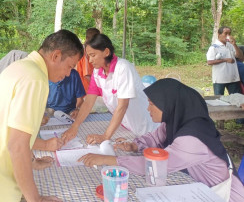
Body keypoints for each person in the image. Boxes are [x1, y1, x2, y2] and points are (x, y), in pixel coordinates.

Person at [0, 30, 84, 202]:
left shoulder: (20, 67)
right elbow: (17, 145)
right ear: (56, 55)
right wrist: (36, 199)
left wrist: (31, 161)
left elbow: (11, 129)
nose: (69, 74)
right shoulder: (36, 79)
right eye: (69, 66)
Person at [79, 78, 244, 202]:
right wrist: (135, 145)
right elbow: (154, 137)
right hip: (199, 187)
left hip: (223, 197)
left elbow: (156, 167)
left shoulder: (193, 137)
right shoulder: (177, 122)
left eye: (152, 104)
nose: (148, 108)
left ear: (168, 104)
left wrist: (109, 159)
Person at [62, 34, 158, 145]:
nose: (90, 60)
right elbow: (88, 102)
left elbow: (122, 106)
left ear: (106, 52)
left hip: (146, 126)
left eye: (93, 55)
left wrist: (105, 136)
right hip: (127, 126)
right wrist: (75, 126)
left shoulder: (123, 68)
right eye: (88, 56)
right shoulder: (97, 72)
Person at [207, 26, 244, 95]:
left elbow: (240, 57)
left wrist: (235, 44)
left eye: (229, 34)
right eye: (225, 33)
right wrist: (225, 60)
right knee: (219, 100)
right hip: (219, 79)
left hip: (233, 78)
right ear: (219, 34)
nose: (228, 36)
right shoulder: (214, 47)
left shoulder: (231, 45)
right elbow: (209, 62)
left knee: (237, 99)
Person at [76, 28, 100, 92]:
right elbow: (87, 75)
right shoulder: (85, 52)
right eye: (95, 39)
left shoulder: (88, 50)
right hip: (87, 89)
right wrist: (98, 89)